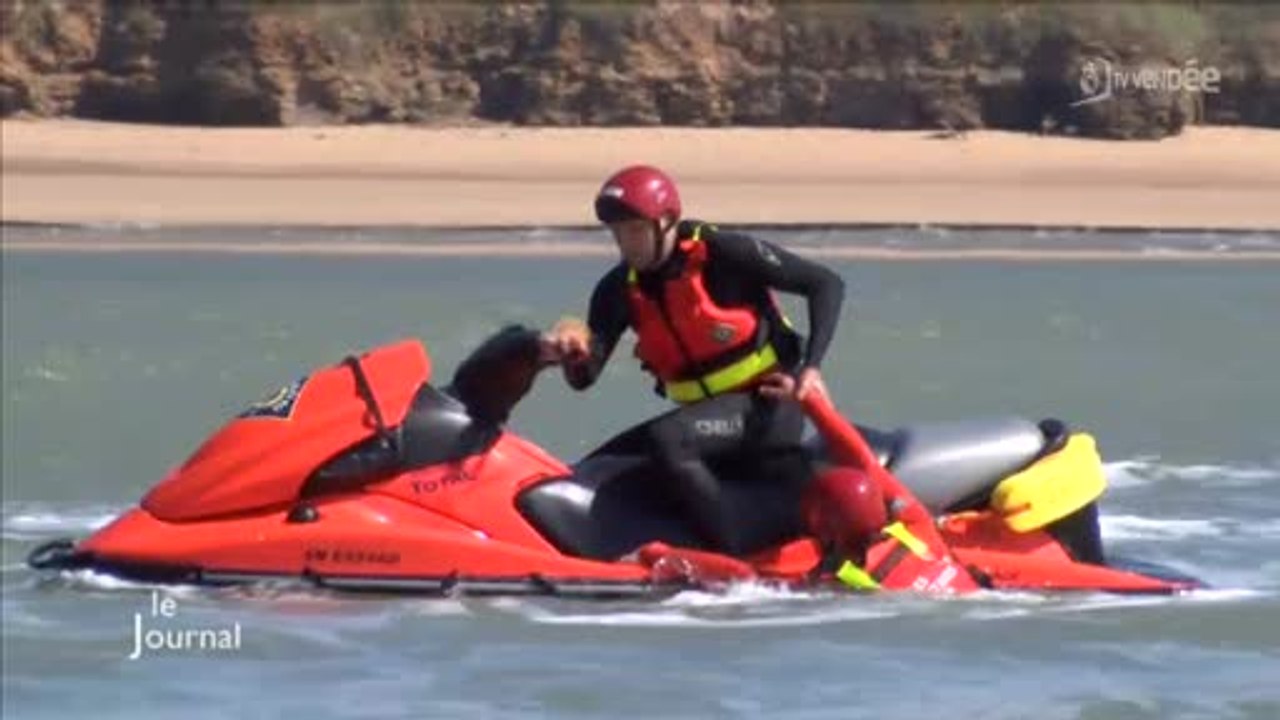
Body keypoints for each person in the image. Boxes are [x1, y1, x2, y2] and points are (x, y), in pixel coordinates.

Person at [539, 164, 851, 555]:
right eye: (618, 233)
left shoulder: (723, 254)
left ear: (668, 221)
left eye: (635, 230)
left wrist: (811, 367)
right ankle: (602, 555)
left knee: (668, 438)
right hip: (710, 421)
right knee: (588, 472)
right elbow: (584, 378)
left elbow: (826, 284)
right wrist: (570, 347)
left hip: (769, 408)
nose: (626, 245)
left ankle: (737, 550)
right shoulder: (617, 290)